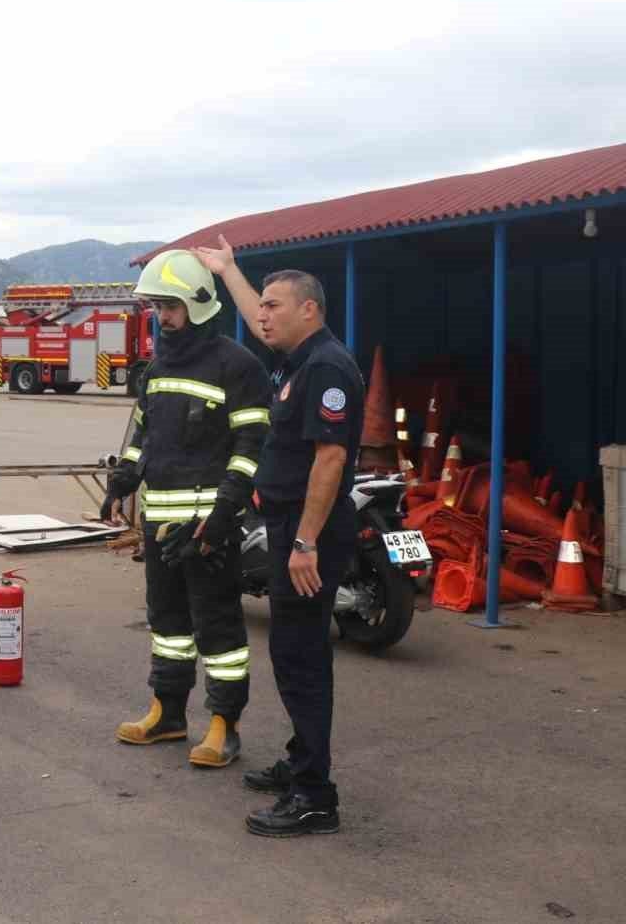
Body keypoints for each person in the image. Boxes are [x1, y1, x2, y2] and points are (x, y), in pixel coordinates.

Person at [194, 235, 364, 838]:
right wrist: (229, 272)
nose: (261, 315)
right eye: (260, 304)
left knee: (301, 660)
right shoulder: (299, 359)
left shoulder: (326, 368)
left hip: (306, 531)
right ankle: (300, 763)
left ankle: (316, 795)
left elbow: (329, 461)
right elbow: (255, 318)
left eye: (273, 305)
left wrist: (304, 543)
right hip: (291, 525)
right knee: (295, 653)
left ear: (309, 310)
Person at [101, 250, 271, 768]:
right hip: (160, 525)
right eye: (156, 306)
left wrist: (220, 520)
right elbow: (143, 433)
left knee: (219, 631)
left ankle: (224, 726)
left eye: (169, 306)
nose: (162, 316)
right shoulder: (156, 369)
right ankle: (168, 713)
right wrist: (125, 477)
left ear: (198, 304)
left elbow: (250, 449)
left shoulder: (237, 366)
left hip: (206, 529)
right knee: (168, 624)